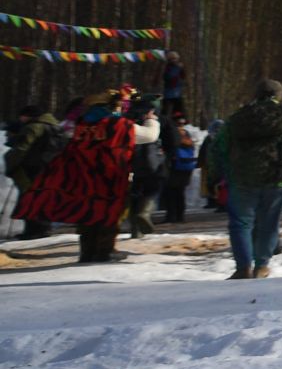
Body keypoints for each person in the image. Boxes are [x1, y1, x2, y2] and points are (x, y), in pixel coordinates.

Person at [18, 87, 136, 262]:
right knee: (108, 213)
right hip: (108, 176)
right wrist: (152, 122)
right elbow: (147, 135)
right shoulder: (119, 125)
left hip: (82, 177)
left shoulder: (80, 125)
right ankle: (105, 252)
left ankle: (87, 252)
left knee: (86, 213)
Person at [212, 80, 282, 279]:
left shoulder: (237, 118)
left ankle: (243, 267)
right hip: (277, 178)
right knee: (269, 223)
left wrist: (217, 174)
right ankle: (262, 265)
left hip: (241, 178)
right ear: (278, 95)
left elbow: (219, 147)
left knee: (240, 224)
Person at [4, 104, 61, 240]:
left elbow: (21, 149)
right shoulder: (55, 127)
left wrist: (10, 164)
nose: (21, 119)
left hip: (32, 167)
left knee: (29, 198)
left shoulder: (33, 127)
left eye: (22, 116)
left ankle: (33, 231)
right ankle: (43, 228)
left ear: (28, 116)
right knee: (43, 197)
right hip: (50, 167)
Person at [126, 98, 165, 239]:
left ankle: (135, 230)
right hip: (152, 162)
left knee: (136, 193)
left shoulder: (129, 121)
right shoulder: (155, 122)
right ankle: (144, 213)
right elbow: (172, 139)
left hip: (135, 162)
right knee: (153, 190)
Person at [161, 112, 196, 224]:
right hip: (185, 166)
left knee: (171, 191)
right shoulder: (187, 134)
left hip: (175, 166)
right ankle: (180, 216)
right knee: (180, 192)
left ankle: (171, 216)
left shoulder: (173, 133)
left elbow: (168, 148)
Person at [160, 50, 187, 118]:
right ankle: (165, 121)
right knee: (166, 110)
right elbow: (167, 77)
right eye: (173, 59)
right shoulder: (168, 67)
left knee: (178, 110)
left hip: (176, 92)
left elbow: (183, 76)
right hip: (169, 92)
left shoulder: (178, 67)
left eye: (175, 59)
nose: (175, 60)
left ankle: (177, 121)